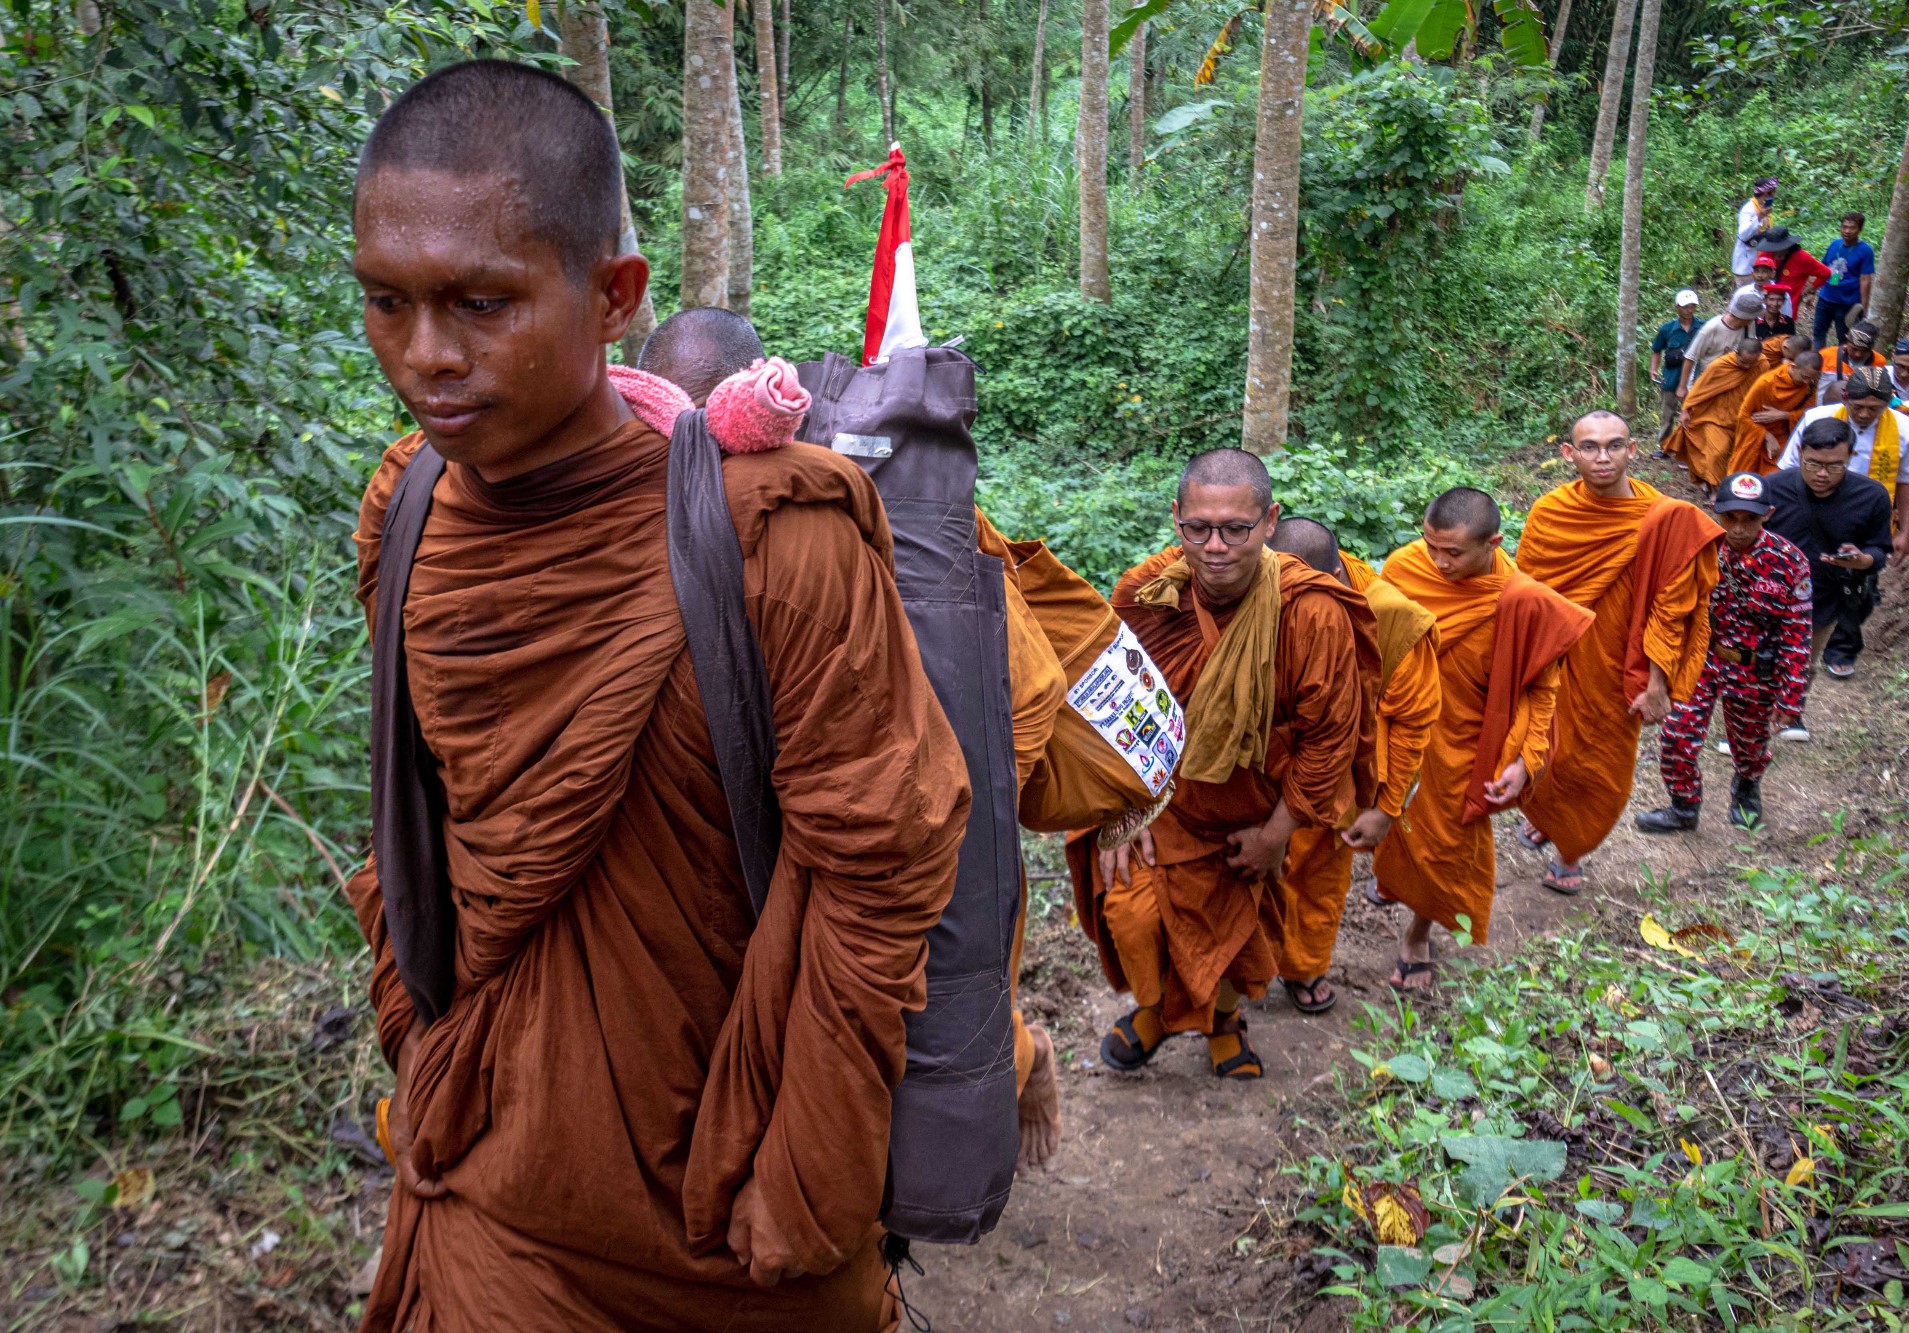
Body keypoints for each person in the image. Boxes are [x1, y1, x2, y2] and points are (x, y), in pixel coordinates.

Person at [346, 61, 972, 1330]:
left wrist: (804, 1184)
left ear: (613, 294)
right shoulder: (403, 510)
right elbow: (419, 814)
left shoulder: (773, 541)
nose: (425, 357)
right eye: (386, 304)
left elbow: (879, 869)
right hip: (488, 1191)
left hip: (727, 1217)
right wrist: (417, 1038)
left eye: (480, 303)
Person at [637, 307, 1073, 1173]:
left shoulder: (858, 521)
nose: (694, 463)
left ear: (758, 412)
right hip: (717, 856)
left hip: (882, 849)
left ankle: (1024, 1060)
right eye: (667, 434)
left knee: (891, 1045)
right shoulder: (634, 522)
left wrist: (922, 799)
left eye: (710, 434)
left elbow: (1024, 697)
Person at [1071, 449, 1375, 1079]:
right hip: (1160, 801)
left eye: (1235, 529)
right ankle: (1155, 1011)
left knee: (1237, 932)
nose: (1214, 547)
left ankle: (1225, 1024)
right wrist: (1121, 814)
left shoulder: (1310, 610)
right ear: (1177, 518)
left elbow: (1330, 737)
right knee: (1133, 919)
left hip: (1251, 811)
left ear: (1269, 521)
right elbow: (1106, 707)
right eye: (1198, 528)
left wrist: (1276, 835)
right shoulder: (1147, 592)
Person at [1370, 489, 1591, 989]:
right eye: (1432, 546)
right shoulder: (1406, 567)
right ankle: (1395, 878)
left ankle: (1418, 932)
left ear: (1493, 542)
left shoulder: (1521, 600)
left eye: (1453, 553)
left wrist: (1526, 761)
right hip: (1399, 726)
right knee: (1388, 816)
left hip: (1464, 742)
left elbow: (1543, 688)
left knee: (1447, 842)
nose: (1439, 562)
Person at [1515, 412, 1720, 894]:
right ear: (1570, 454)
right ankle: (1551, 816)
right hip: (1555, 660)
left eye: (1613, 446)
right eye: (1589, 447)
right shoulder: (1550, 512)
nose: (1601, 457)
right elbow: (1526, 593)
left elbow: (1673, 611)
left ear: (1632, 450)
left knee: (1598, 762)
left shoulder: (1665, 519)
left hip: (1615, 667)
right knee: (1547, 749)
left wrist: (1657, 683)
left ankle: (1571, 850)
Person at [1266, 517, 1441, 1013]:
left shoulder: (1390, 617)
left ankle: (1303, 968)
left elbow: (1411, 722)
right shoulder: (1258, 587)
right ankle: (1241, 971)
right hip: (1267, 763)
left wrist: (1386, 807)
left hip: (1338, 776)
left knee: (1318, 876)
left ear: (1335, 577)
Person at [1638, 472, 1812, 834]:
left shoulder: (1789, 561)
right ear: (1715, 512)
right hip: (1701, 660)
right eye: (1730, 517)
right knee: (1676, 735)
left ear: (1768, 514)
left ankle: (1746, 787)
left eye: (1749, 519)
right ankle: (1683, 806)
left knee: (1749, 745)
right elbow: (1670, 608)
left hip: (1754, 669)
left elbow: (1797, 633)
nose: (1738, 528)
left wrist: (1790, 697)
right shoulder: (1699, 550)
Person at [1766, 417, 1894, 693]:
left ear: (1851, 457)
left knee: (1801, 661)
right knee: (1760, 661)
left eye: (1835, 466)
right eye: (1813, 463)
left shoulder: (1871, 496)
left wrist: (1863, 560)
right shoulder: (1772, 488)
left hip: (1824, 597)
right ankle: (1754, 719)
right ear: (1800, 452)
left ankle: (1791, 713)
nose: (1822, 474)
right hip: (1769, 593)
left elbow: (1880, 549)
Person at [1781, 366, 1909, 568]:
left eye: (1874, 408)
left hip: (1864, 517)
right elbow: (1789, 469)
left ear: (1888, 402)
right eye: (1857, 407)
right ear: (1845, 398)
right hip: (1812, 509)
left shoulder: (1907, 431)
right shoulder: (1816, 418)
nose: (1864, 414)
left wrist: (1905, 533)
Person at [1667, 335, 1766, 495]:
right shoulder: (1721, 365)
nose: (1747, 367)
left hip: (1742, 417)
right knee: (1716, 453)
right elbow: (1701, 387)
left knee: (1735, 456)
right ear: (1736, 353)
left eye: (1751, 363)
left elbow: (1762, 390)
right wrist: (1685, 409)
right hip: (1714, 416)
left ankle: (1722, 486)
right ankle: (1714, 491)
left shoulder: (1762, 364)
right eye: (1743, 362)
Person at [1729, 343, 1823, 476]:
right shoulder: (1767, 382)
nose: (1806, 382)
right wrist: (1766, 436)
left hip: (1783, 438)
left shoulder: (1809, 386)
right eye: (1804, 377)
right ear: (1794, 367)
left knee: (1777, 477)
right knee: (1745, 477)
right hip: (1755, 436)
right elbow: (1743, 415)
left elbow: (1809, 414)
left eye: (1811, 378)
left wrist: (1785, 415)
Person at [1678, 287, 1765, 404]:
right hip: (1708, 381)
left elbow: (1752, 348)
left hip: (1733, 382)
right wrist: (1682, 387)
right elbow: (1690, 357)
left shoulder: (1749, 326)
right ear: (1745, 317)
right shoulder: (1712, 328)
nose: (1754, 320)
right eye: (1752, 317)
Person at [1650, 290, 1706, 440]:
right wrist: (1653, 370)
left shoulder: (1703, 326)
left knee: (1693, 415)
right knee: (1667, 414)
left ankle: (1688, 447)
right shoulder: (1667, 329)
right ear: (1677, 307)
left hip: (1695, 378)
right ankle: (1664, 446)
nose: (1689, 310)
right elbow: (1656, 349)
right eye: (1685, 306)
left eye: (1692, 306)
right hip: (1672, 377)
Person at [1817, 213, 1876, 348]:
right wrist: (1812, 291)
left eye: (1852, 228)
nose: (1847, 231)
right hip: (1825, 298)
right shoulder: (1834, 244)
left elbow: (1865, 279)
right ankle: (1817, 363)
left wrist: (1864, 306)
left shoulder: (1866, 251)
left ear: (1859, 230)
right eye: (1844, 227)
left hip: (1846, 302)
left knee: (1844, 337)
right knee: (1819, 333)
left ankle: (1842, 365)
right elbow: (1824, 268)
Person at [1752, 227, 1830, 322]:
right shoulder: (1766, 254)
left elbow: (1825, 273)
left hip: (1787, 308)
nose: (1775, 251)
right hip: (1764, 306)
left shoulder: (1802, 258)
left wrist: (1806, 291)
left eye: (1778, 248)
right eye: (1772, 247)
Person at [1817, 319, 1887, 403]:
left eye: (1864, 350)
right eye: (1854, 349)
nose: (1858, 354)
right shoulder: (1825, 355)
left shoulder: (1879, 362)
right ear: (1847, 340)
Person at [1733, 177, 1779, 286]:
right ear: (1766, 193)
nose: (1774, 195)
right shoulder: (1748, 209)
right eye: (1772, 192)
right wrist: (1759, 217)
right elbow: (1743, 234)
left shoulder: (1763, 207)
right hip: (1746, 266)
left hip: (1762, 262)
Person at [1752, 274, 1797, 339]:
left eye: (1779, 300)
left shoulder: (1788, 322)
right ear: (1764, 300)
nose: (1775, 304)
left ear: (1784, 301)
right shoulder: (1754, 322)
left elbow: (1791, 344)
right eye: (1771, 299)